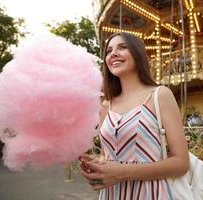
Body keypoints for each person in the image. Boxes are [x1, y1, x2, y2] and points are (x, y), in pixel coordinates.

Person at [80, 32, 189, 199]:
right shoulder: (105, 106)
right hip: (113, 193)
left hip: (150, 192)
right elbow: (109, 155)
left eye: (122, 47)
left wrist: (122, 172)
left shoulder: (159, 95)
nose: (113, 53)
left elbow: (181, 163)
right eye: (109, 51)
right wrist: (97, 164)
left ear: (138, 54)